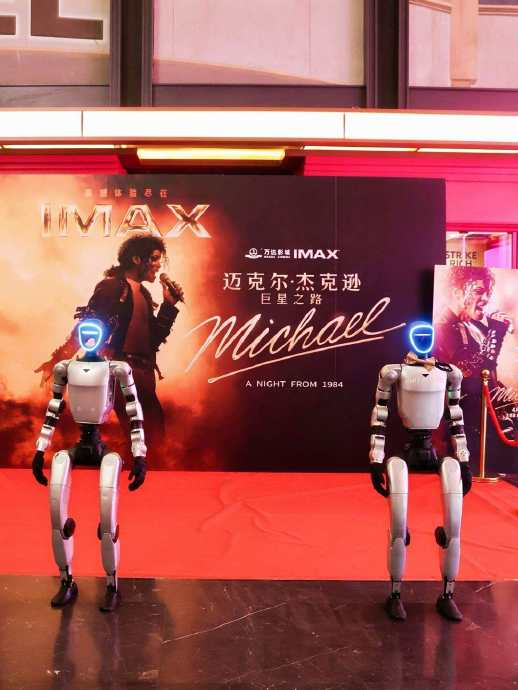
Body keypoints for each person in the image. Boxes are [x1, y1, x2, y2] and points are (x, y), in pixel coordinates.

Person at [35, 233, 184, 461]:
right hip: (120, 371)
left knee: (154, 434)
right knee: (142, 436)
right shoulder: (112, 287)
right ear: (136, 259)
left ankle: (144, 473)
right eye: (154, 258)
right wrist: (57, 360)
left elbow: (152, 340)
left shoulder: (143, 294)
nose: (158, 264)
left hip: (144, 373)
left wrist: (169, 306)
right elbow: (87, 328)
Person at [435, 266, 514, 443]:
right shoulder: (442, 327)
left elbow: (488, 373)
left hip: (487, 421)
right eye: (478, 291)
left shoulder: (473, 324)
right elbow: (467, 370)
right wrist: (496, 334)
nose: (485, 299)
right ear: (457, 293)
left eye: (487, 293)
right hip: (465, 427)